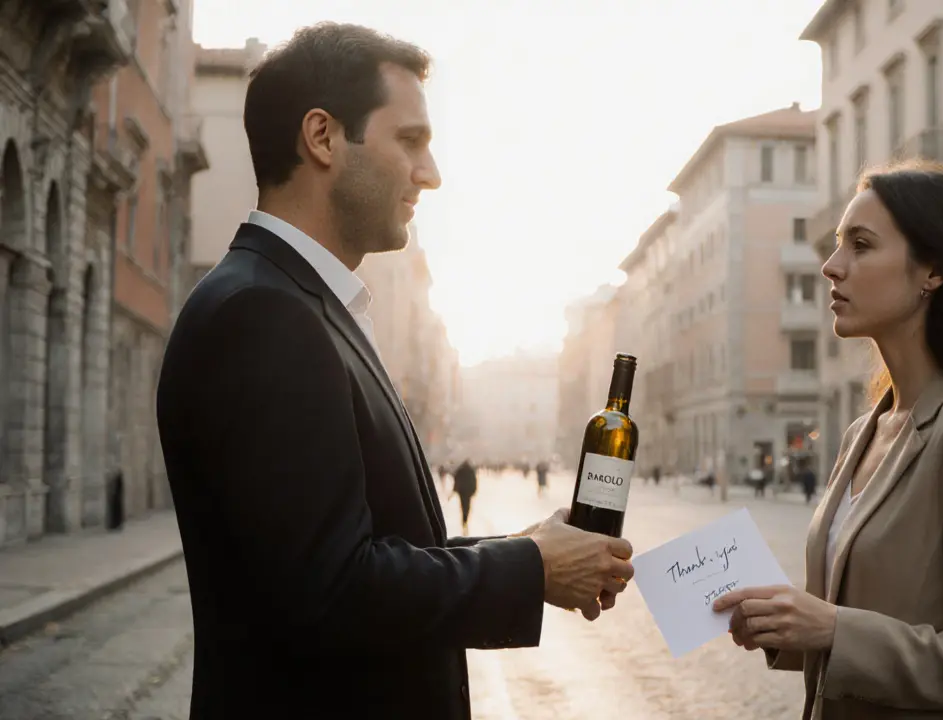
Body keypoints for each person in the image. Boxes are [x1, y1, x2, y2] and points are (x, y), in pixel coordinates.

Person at [155, 23, 633, 720]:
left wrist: (530, 547)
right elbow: (333, 590)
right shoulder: (265, 314)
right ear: (321, 138)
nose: (430, 172)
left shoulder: (299, 303)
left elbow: (362, 548)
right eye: (409, 140)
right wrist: (531, 570)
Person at [714, 161, 943, 719]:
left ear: (933, 271)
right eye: (837, 245)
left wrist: (834, 627)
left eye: (861, 245)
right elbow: (859, 618)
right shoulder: (862, 430)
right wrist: (786, 623)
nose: (830, 266)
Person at [452, 459, 478, 532]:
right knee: (467, 506)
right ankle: (465, 518)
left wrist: (455, 489)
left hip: (462, 491)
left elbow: (456, 479)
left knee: (463, 505)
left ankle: (464, 519)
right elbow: (474, 481)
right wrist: (474, 490)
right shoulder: (471, 471)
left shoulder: (460, 470)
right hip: (468, 492)